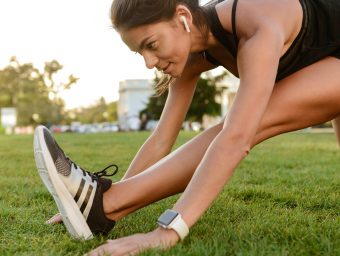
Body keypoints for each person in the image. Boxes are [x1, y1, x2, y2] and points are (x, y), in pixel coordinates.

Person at [34, 0, 340, 255]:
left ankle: (102, 204)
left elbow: (237, 138)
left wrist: (168, 230)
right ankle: (102, 206)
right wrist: (115, 198)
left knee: (249, 120)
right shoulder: (191, 55)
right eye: (140, 52)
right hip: (327, 57)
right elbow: (161, 138)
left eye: (151, 45)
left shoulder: (254, 23)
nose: (149, 62)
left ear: (182, 17)